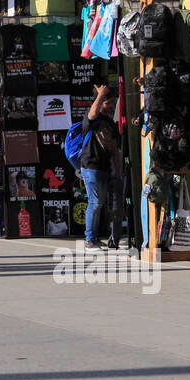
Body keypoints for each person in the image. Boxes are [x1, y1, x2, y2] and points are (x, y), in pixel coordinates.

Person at [78, 83, 121, 253]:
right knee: (95, 203)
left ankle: (94, 238)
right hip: (90, 166)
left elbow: (115, 149)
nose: (111, 107)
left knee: (99, 203)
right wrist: (101, 94)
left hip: (104, 168)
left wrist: (117, 172)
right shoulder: (93, 119)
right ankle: (89, 241)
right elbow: (92, 113)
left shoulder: (110, 123)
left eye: (112, 103)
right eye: (107, 103)